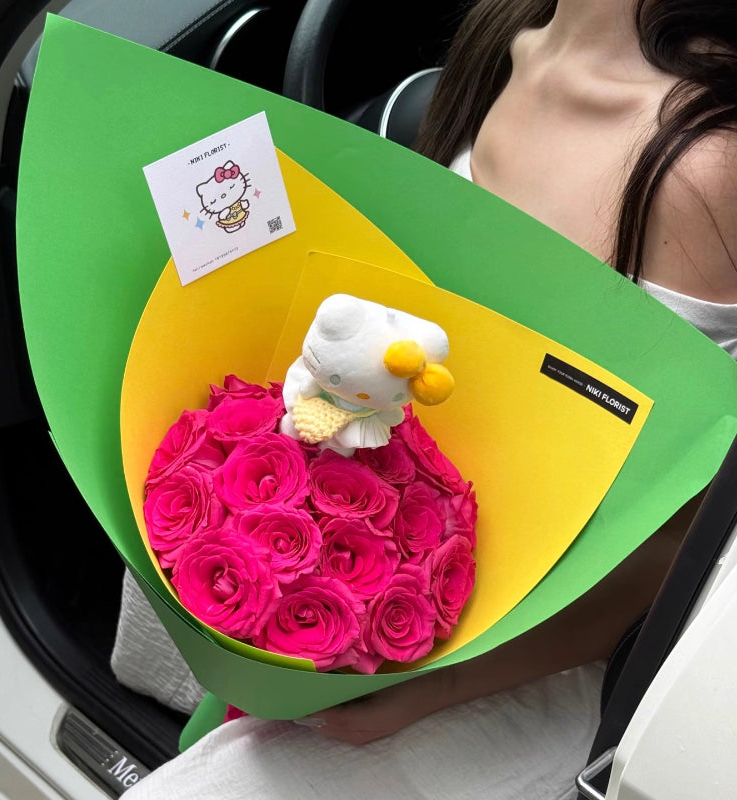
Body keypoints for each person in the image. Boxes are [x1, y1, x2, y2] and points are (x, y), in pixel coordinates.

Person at [118, 0, 737, 796]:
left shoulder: (703, 161)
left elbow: (686, 541)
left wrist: (432, 686)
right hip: (412, 565)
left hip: (561, 647)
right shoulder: (506, 31)